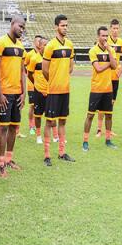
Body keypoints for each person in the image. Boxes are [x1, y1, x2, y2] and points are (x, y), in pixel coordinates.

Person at [0, 16, 27, 177]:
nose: (22, 29)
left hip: (17, 93)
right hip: (5, 93)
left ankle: (9, 159)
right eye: (20, 26)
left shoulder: (21, 46)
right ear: (12, 24)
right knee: (3, 127)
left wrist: (24, 92)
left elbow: (22, 71)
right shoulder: (1, 43)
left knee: (14, 127)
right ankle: (0, 164)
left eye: (24, 27)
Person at [42, 14, 75, 166]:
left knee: (62, 121)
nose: (65, 28)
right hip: (53, 91)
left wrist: (63, 78)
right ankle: (47, 155)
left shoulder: (69, 44)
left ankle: (62, 152)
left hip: (65, 90)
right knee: (49, 122)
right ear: (56, 27)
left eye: (66, 25)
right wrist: (54, 81)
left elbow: (71, 66)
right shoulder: (50, 46)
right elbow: (45, 69)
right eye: (62, 26)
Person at [82, 26, 118, 151]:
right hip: (96, 89)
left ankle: (108, 140)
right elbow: (98, 68)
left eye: (106, 36)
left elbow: (115, 66)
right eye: (102, 36)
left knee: (109, 116)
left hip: (108, 89)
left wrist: (109, 50)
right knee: (90, 116)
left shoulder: (111, 50)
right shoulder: (93, 50)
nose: (105, 38)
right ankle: (85, 141)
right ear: (98, 37)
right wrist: (108, 63)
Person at [96, 19, 122, 137]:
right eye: (113, 28)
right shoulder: (104, 40)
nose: (115, 30)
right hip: (105, 78)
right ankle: (99, 129)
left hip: (115, 78)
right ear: (110, 29)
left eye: (117, 28)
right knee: (102, 105)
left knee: (111, 103)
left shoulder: (121, 42)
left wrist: (121, 68)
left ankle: (108, 130)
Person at [26, 36, 48, 145]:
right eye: (44, 44)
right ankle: (37, 133)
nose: (46, 47)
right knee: (36, 112)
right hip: (37, 89)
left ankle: (53, 136)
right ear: (39, 45)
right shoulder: (33, 57)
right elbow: (28, 72)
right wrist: (35, 83)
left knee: (51, 115)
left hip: (50, 90)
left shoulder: (51, 59)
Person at [24, 36, 40, 135]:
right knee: (32, 106)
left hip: (41, 85)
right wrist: (29, 74)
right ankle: (31, 125)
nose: (39, 43)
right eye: (37, 41)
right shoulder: (29, 54)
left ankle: (38, 125)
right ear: (34, 42)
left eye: (40, 41)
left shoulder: (44, 54)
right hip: (31, 84)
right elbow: (24, 66)